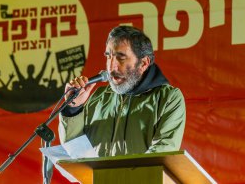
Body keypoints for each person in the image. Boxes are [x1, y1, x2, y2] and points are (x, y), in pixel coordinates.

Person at [58, 25, 186, 157]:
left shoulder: (168, 99)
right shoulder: (98, 97)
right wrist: (73, 108)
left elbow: (161, 153)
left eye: (121, 57)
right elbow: (76, 151)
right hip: (97, 178)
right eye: (108, 56)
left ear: (143, 63)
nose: (111, 66)